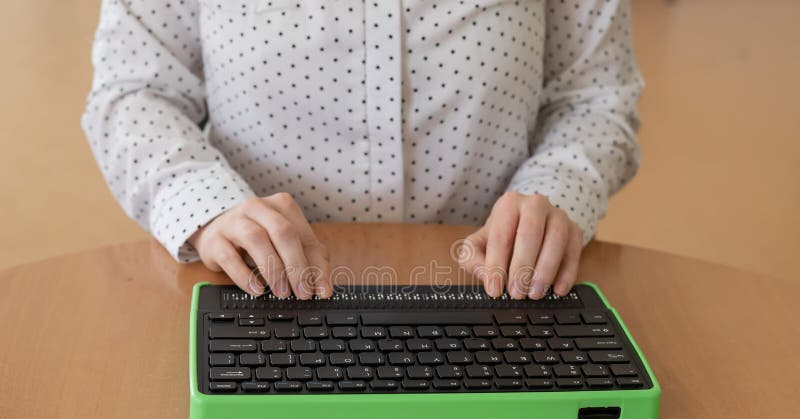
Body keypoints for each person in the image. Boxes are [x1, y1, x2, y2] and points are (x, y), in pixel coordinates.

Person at [82, 0, 643, 300]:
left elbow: (592, 97)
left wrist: (554, 193)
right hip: (254, 293)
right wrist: (207, 208)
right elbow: (136, 91)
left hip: (493, 291)